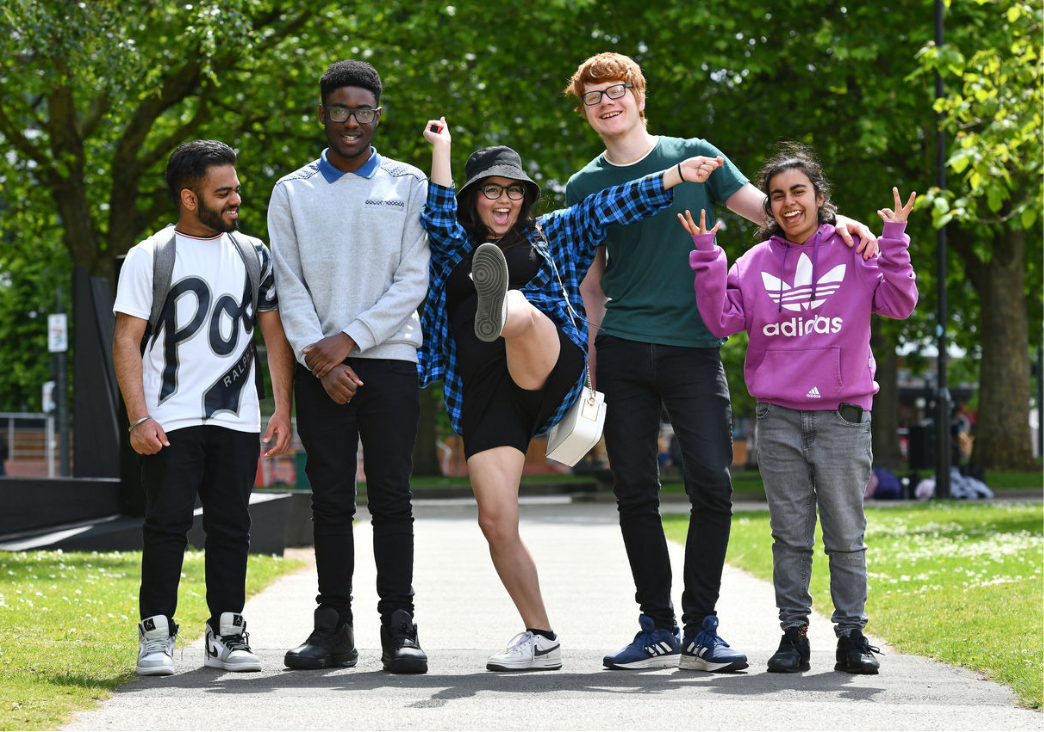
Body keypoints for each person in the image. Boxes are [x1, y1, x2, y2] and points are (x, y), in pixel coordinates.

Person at [563, 52, 878, 672]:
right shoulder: (583, 186)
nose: (607, 102)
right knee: (635, 491)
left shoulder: (697, 156)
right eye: (593, 96)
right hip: (623, 347)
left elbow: (777, 212)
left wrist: (847, 224)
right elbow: (591, 286)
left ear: (640, 97)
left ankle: (702, 627)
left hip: (694, 348)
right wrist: (591, 366)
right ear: (585, 112)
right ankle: (656, 626)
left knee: (712, 485)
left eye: (617, 90)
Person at [417, 117, 724, 671]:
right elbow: (437, 211)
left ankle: (501, 307)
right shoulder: (452, 244)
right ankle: (540, 637)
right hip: (486, 396)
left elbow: (610, 205)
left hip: (548, 364)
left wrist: (675, 175)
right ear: (473, 198)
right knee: (495, 521)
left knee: (518, 308)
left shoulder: (552, 233)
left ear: (526, 197)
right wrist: (442, 147)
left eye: (514, 190)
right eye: (492, 190)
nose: (504, 200)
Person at [683, 142, 917, 674]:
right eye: (777, 196)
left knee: (845, 535)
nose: (789, 203)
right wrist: (707, 255)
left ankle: (852, 636)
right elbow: (721, 320)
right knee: (789, 536)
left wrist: (893, 240)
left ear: (818, 196)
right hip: (779, 417)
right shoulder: (752, 262)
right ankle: (794, 635)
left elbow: (900, 303)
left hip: (843, 415)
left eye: (798, 192)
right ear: (768, 206)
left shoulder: (854, 250)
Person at [268, 60, 430, 674]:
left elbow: (414, 278)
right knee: (330, 501)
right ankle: (333, 626)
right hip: (320, 370)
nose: (352, 121)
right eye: (340, 110)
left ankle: (399, 625)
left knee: (392, 498)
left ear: (378, 115)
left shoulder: (408, 183)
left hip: (390, 362)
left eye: (363, 111)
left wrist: (351, 340)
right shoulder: (292, 191)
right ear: (323, 114)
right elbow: (288, 283)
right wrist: (320, 356)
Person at [112, 139, 294, 676]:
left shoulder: (254, 253)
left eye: (236, 188)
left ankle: (227, 632)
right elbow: (126, 339)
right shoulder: (150, 255)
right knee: (166, 525)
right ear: (189, 198)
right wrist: (138, 416)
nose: (236, 199)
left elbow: (273, 335)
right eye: (223, 192)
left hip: (237, 417)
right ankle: (156, 636)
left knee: (232, 526)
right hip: (169, 418)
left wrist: (281, 408)